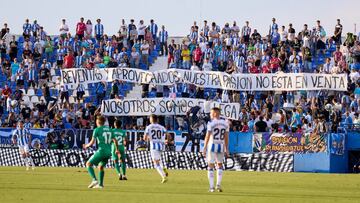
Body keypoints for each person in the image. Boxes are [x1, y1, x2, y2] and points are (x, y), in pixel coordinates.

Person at [83, 116, 118, 189]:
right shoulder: (110, 130)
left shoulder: (97, 130)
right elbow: (115, 140)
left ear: (97, 122)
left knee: (88, 164)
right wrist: (116, 149)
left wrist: (86, 146)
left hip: (101, 151)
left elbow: (92, 143)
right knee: (101, 166)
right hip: (109, 152)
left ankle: (94, 180)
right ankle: (101, 185)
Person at [202, 107, 229, 193]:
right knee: (220, 165)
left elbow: (207, 136)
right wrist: (226, 148)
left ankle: (211, 187)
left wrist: (204, 147)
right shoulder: (225, 123)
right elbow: (226, 137)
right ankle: (218, 185)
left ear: (214, 114)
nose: (210, 115)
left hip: (212, 145)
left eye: (211, 113)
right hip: (221, 146)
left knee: (210, 166)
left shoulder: (211, 123)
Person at [144, 114, 169, 183]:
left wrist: (149, 138)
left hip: (154, 147)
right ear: (157, 119)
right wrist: (167, 141)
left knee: (156, 164)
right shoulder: (161, 127)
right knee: (158, 159)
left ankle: (163, 177)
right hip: (161, 146)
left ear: (151, 119)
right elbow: (168, 135)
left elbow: (145, 138)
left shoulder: (149, 127)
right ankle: (163, 168)